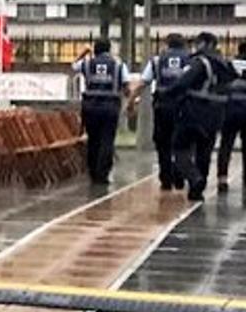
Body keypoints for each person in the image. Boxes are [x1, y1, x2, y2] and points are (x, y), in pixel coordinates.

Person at [168, 32, 235, 201]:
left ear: (205, 44)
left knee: (180, 149)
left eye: (198, 43)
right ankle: (197, 190)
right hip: (216, 115)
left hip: (193, 112)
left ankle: (193, 177)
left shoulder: (201, 63)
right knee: (204, 151)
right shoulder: (226, 65)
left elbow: (182, 83)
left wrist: (169, 94)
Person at [129, 34, 189, 190]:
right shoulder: (191, 60)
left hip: (162, 107)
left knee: (163, 144)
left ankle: (166, 178)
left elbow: (143, 83)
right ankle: (179, 172)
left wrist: (130, 102)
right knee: (183, 143)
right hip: (184, 108)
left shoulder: (157, 61)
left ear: (167, 45)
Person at [72, 39, 128, 185]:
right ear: (109, 50)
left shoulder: (87, 63)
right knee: (107, 140)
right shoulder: (118, 65)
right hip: (110, 108)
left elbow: (73, 66)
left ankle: (93, 172)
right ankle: (102, 174)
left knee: (93, 140)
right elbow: (126, 86)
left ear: (95, 49)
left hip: (90, 107)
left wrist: (83, 53)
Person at [215, 41, 246, 191]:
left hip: (229, 110)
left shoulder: (228, 65)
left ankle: (222, 178)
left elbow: (220, 87)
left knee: (226, 145)